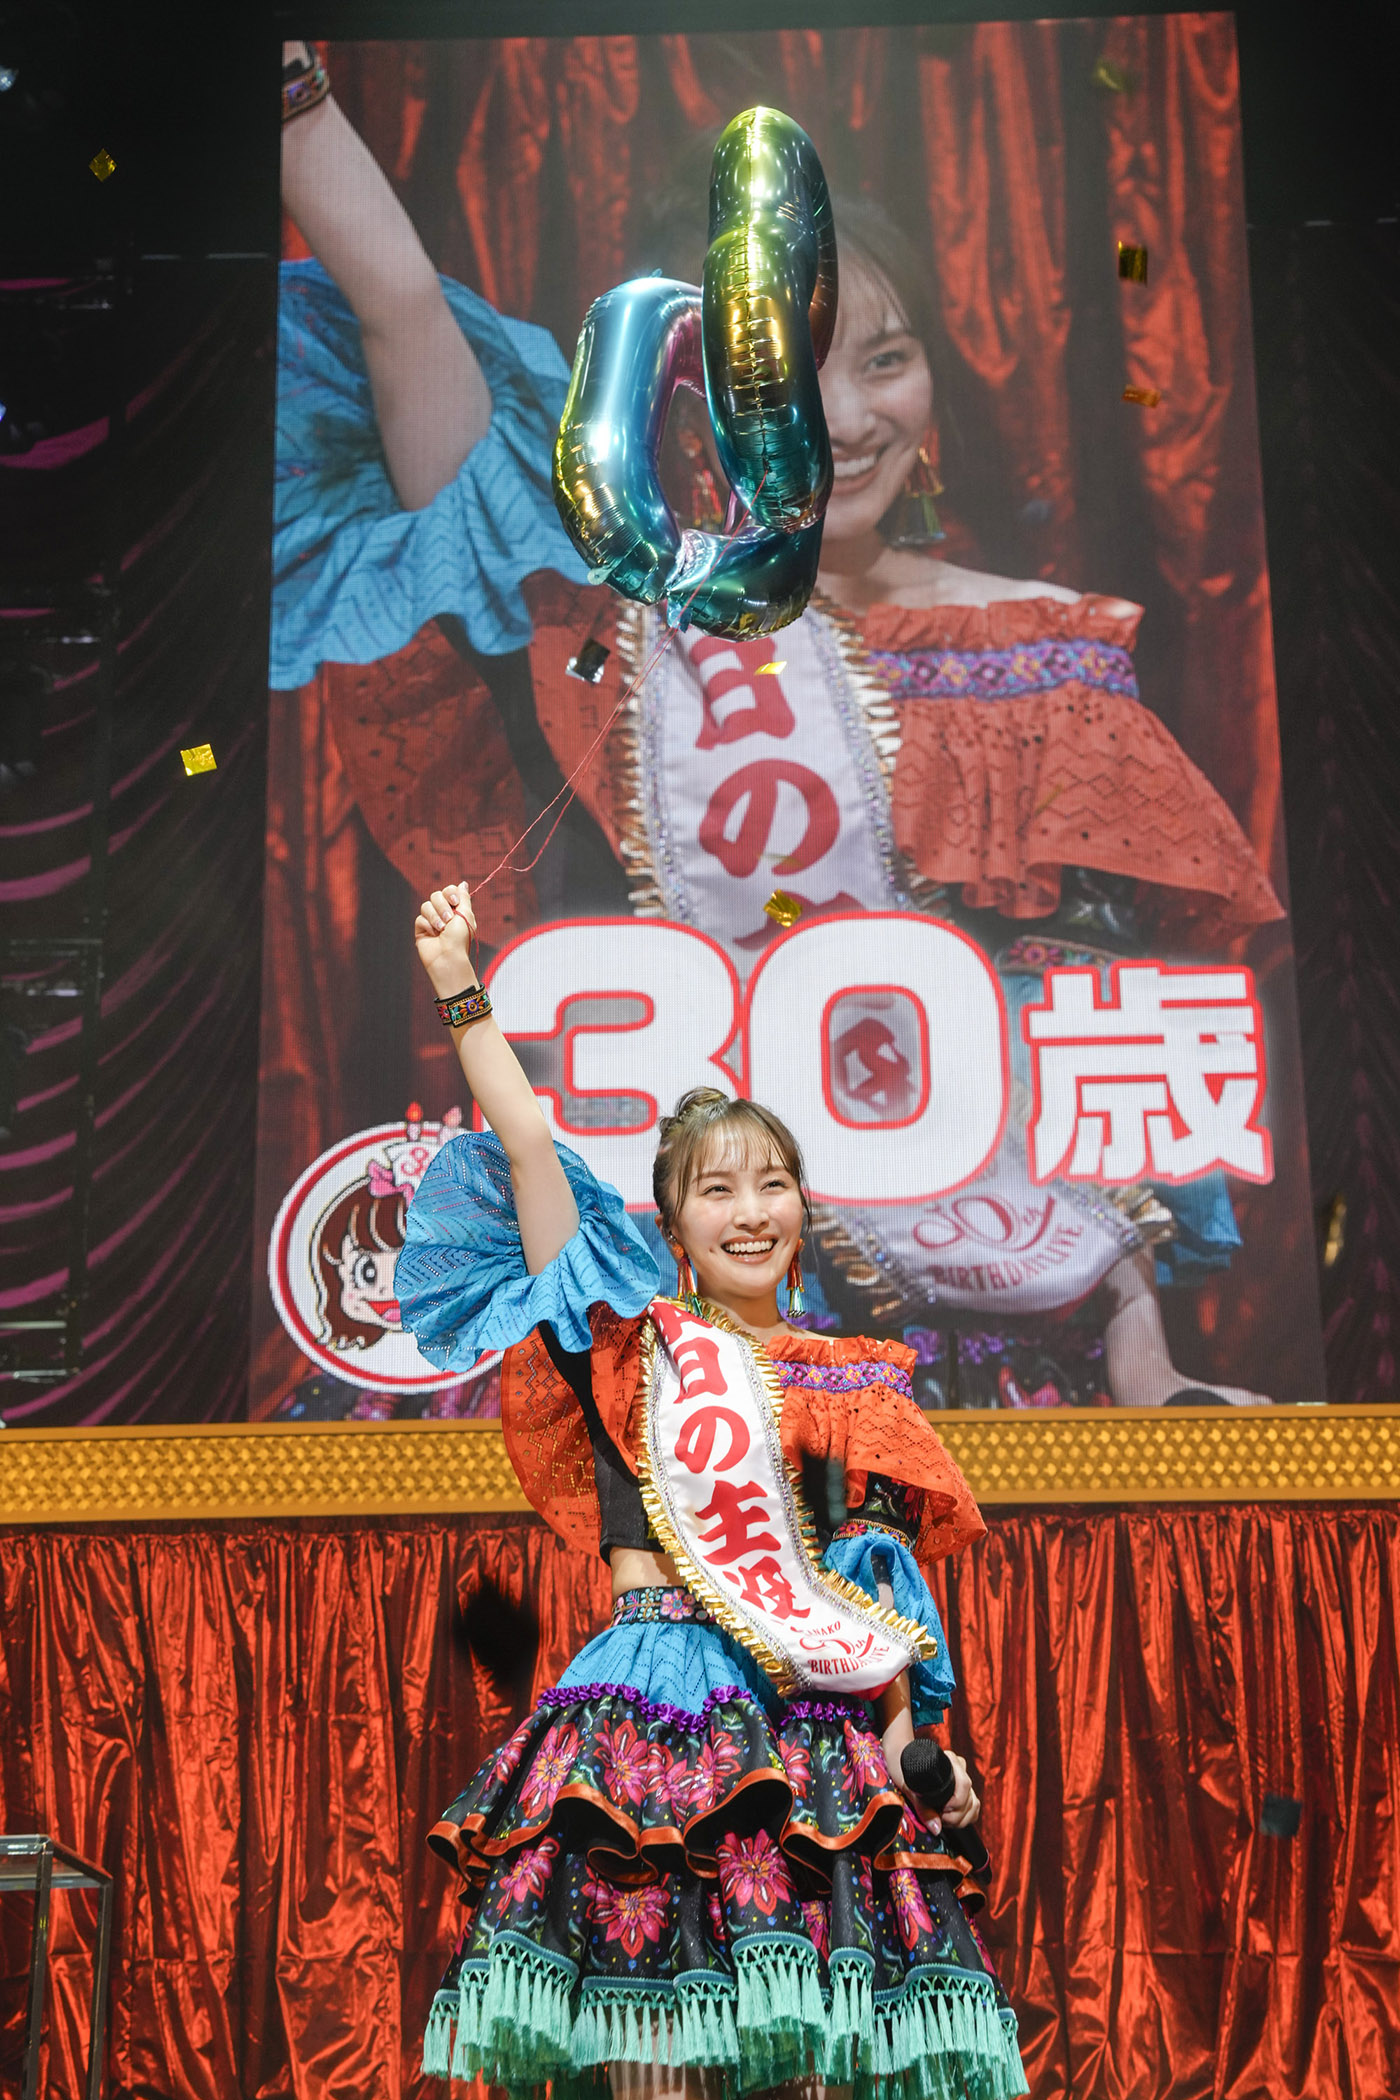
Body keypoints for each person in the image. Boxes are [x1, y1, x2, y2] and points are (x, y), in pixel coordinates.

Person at [274, 46, 1274, 1407]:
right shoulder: (592, 616)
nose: (843, 421)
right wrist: (296, 100)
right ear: (686, 396)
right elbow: (399, 314)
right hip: (651, 1322)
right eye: (783, 375)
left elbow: (1083, 1027)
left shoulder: (1041, 650)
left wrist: (1144, 1358)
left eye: (886, 361)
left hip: (959, 1332)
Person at [396, 879, 1028, 2099]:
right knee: (652, 2060)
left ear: (802, 1209)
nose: (749, 1213)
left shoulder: (856, 1387)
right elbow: (526, 1145)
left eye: (771, 1185)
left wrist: (916, 1754)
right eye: (716, 1190)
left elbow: (868, 1594)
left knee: (811, 2059)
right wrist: (456, 981)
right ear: (673, 1225)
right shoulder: (631, 1349)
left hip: (808, 1735)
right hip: (653, 1708)